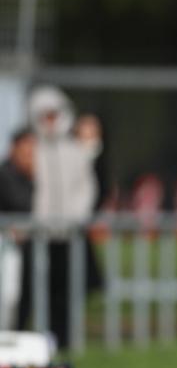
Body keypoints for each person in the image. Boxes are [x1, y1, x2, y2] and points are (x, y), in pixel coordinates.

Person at [28, 86, 103, 350]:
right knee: (39, 290)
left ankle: (66, 339)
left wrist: (75, 217)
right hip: (38, 236)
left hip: (69, 235)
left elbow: (86, 188)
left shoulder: (73, 150)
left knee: (68, 291)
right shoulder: (32, 150)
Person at [0, 127, 36, 329]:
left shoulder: (35, 176)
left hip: (25, 249)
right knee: (8, 297)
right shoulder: (5, 174)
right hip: (7, 247)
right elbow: (20, 202)